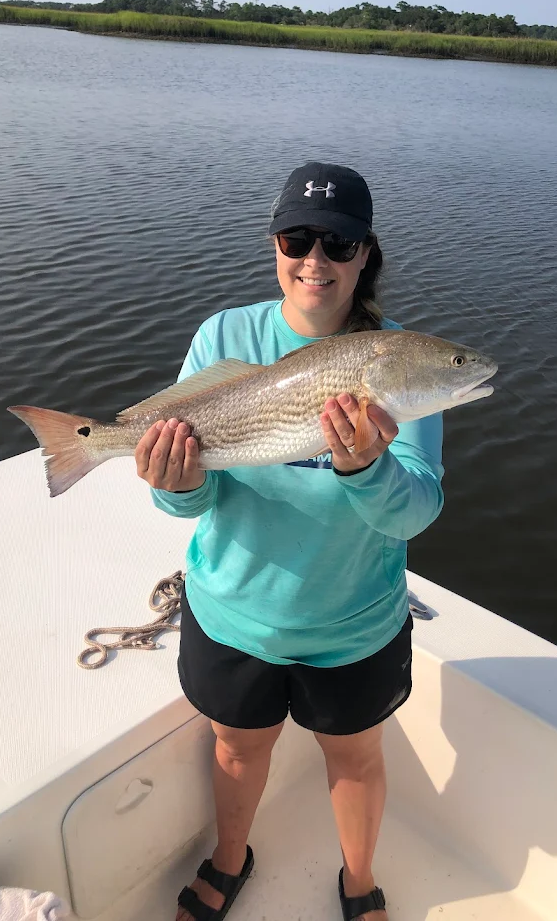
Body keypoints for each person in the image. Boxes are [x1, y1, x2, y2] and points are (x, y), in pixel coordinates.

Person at [135, 162, 444, 921]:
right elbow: (189, 502)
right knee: (237, 748)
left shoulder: (398, 358)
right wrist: (173, 480)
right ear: (274, 243)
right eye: (296, 237)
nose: (315, 259)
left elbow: (414, 512)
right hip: (235, 612)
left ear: (365, 253)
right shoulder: (225, 335)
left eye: (338, 242)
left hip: (353, 622)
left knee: (354, 756)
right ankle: (229, 858)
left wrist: (366, 468)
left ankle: (359, 879)